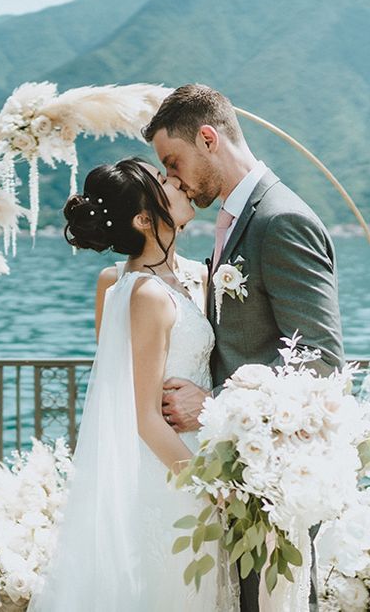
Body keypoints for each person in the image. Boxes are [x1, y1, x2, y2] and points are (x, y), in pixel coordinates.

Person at [143, 84, 345, 612]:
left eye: (173, 161)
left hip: (275, 482)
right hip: (237, 475)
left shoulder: (281, 220)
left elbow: (321, 364)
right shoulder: (233, 220)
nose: (172, 178)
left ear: (208, 138)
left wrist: (213, 409)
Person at [28, 157, 237, 611]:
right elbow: (143, 417)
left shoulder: (195, 277)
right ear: (144, 219)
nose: (178, 184)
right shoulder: (142, 293)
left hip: (198, 448)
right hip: (174, 470)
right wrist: (213, 488)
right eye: (164, 183)